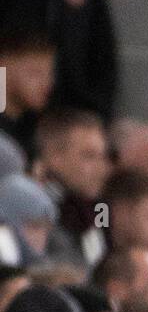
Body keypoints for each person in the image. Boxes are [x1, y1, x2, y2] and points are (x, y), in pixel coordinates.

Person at [35, 107, 110, 270]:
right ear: (54, 157)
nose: (101, 168)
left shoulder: (92, 215)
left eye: (102, 157)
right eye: (89, 156)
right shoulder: (32, 211)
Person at [0, 28, 55, 162]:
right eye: (35, 72)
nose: (47, 84)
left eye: (50, 74)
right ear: (3, 68)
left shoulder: (34, 130)